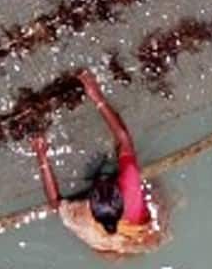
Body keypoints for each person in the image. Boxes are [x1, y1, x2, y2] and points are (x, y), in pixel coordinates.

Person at [31, 69, 165, 255]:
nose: (102, 183)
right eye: (105, 186)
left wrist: (41, 157)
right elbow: (123, 138)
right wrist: (96, 97)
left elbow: (56, 203)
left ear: (90, 206)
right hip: (132, 228)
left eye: (98, 189)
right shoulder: (129, 185)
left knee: (110, 248)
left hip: (115, 236)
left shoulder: (83, 217)